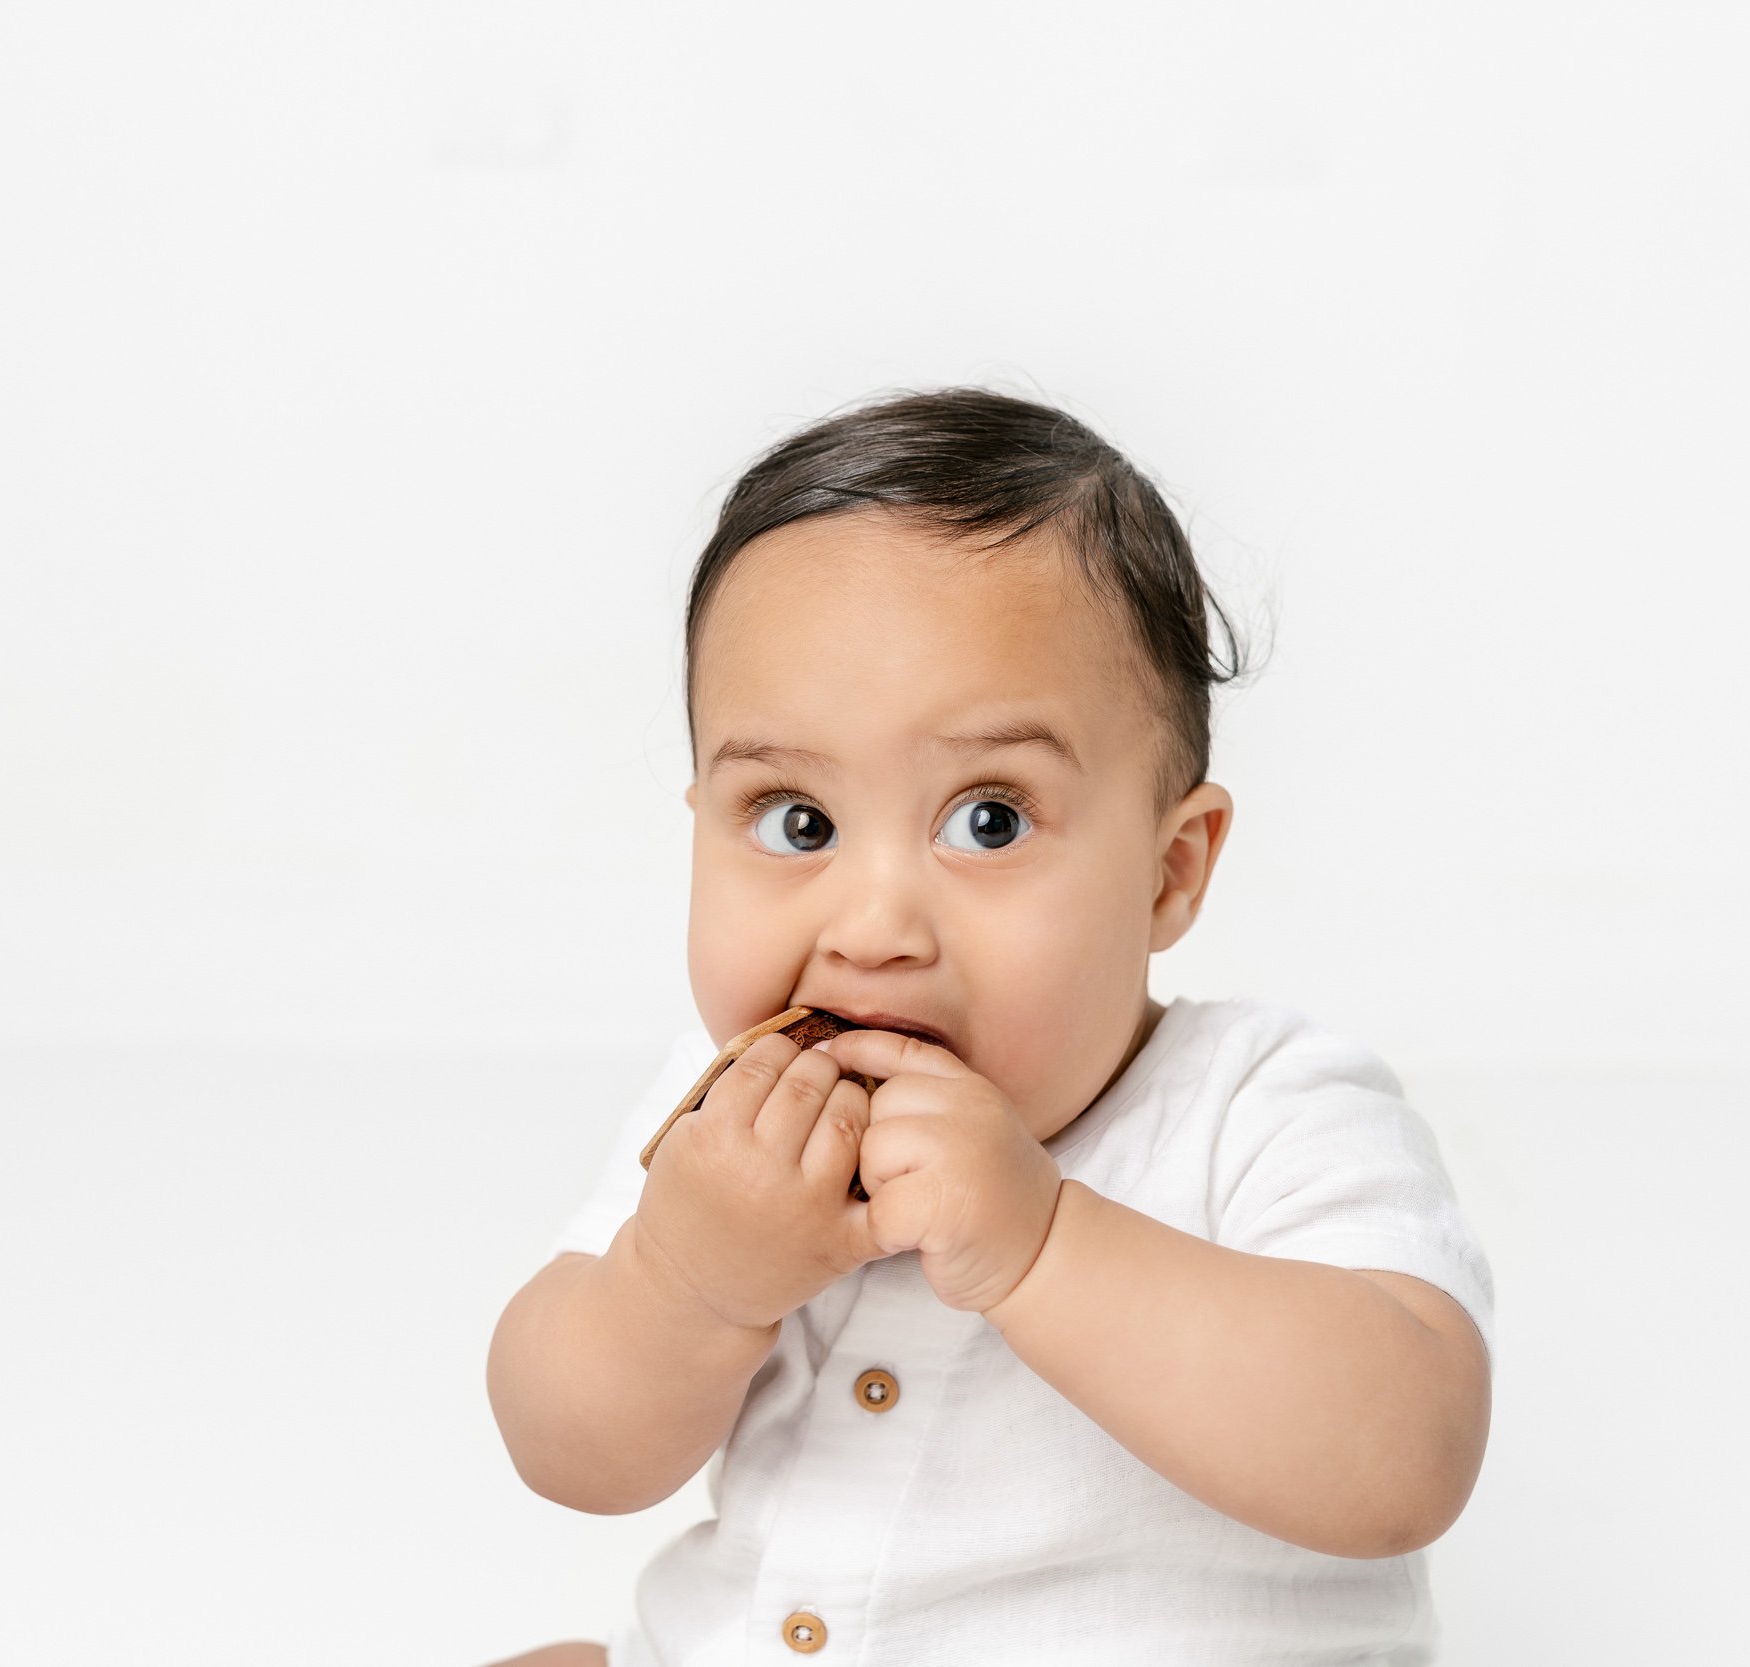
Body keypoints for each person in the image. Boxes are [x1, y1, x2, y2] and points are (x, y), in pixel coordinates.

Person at [481, 388, 1496, 1666]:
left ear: (1168, 870)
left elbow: (1402, 1455)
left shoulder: (1262, 1103)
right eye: (795, 819)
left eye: (989, 820)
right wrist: (685, 1280)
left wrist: (1040, 1242)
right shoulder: (727, 1114)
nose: (873, 923)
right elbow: (563, 1446)